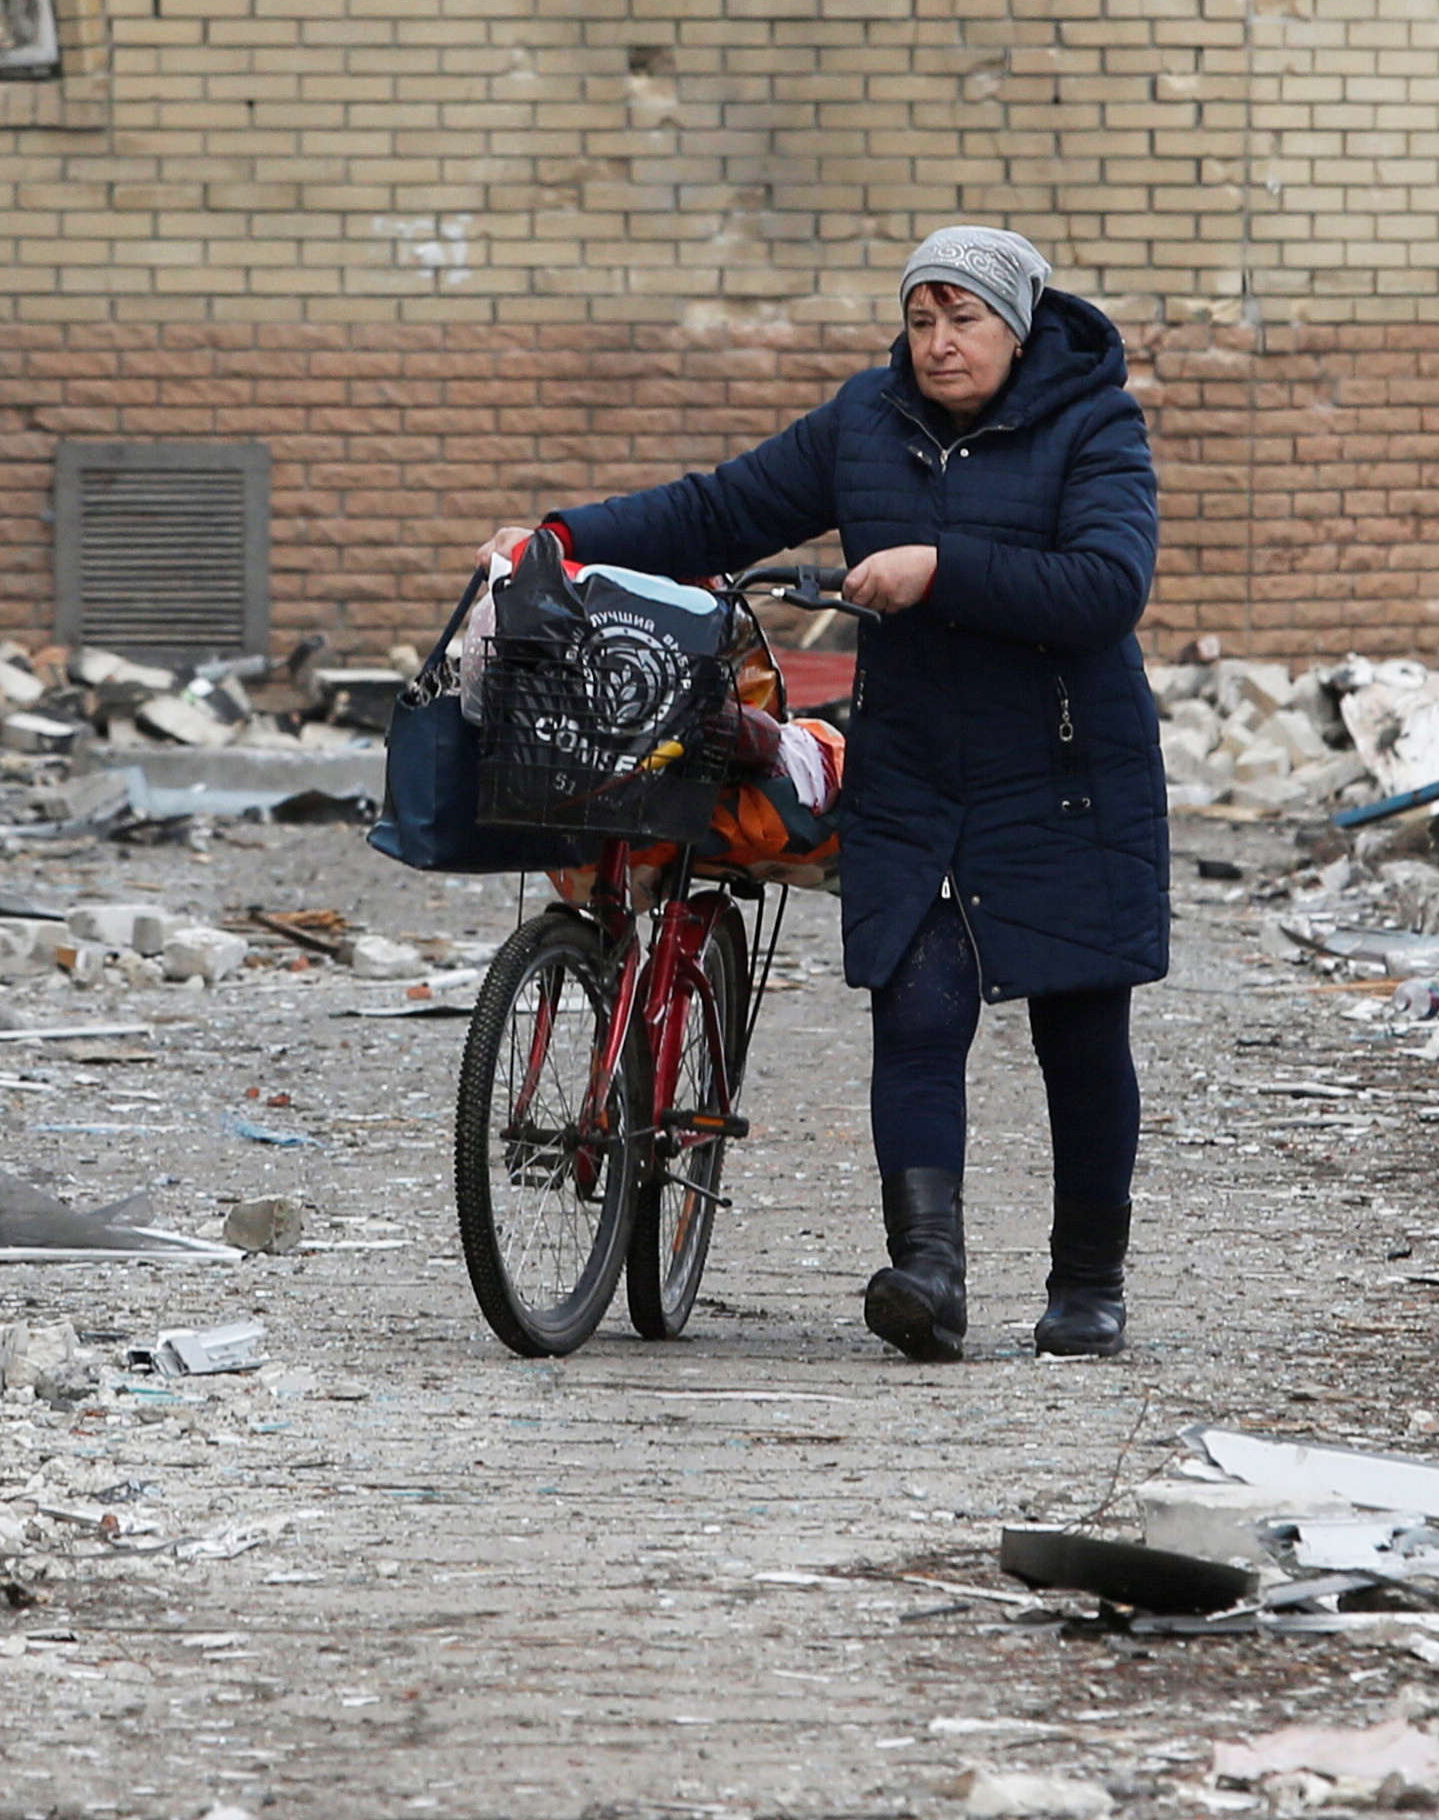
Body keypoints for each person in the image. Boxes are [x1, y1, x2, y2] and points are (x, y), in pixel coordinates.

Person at [482, 224, 1169, 1361]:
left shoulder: (1092, 423)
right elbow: (718, 511)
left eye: (965, 320)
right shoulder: (867, 421)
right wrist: (560, 535)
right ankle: (927, 1273)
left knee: (1079, 1023)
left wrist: (939, 567)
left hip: (1063, 775)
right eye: (921, 319)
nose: (940, 344)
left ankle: (1087, 1285)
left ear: (1020, 323)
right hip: (910, 766)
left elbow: (1107, 583)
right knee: (913, 1004)